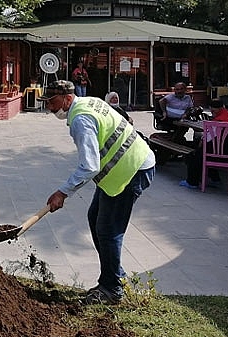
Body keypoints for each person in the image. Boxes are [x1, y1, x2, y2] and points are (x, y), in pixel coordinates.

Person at [38, 80, 156, 305]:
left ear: (68, 98)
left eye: (52, 102)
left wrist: (62, 193)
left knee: (108, 230)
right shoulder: (88, 102)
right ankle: (114, 277)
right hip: (124, 169)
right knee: (95, 219)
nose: (49, 108)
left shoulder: (81, 119)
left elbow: (89, 166)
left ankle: (112, 289)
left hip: (131, 171)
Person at [179, 98, 228, 189]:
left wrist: (201, 143)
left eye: (212, 110)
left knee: (195, 154)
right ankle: (215, 179)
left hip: (221, 154)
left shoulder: (218, 121)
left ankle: (192, 182)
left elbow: (206, 139)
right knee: (207, 151)